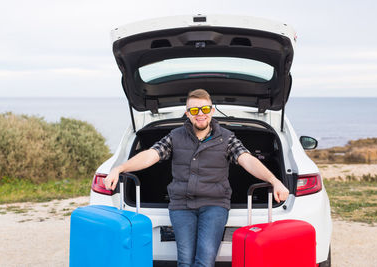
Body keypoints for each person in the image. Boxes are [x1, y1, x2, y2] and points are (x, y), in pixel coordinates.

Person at [104, 89, 289, 267]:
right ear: (188, 113)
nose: (200, 114)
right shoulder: (175, 136)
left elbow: (247, 160)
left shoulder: (227, 138)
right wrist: (119, 168)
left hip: (214, 204)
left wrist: (275, 181)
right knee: (185, 261)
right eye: (194, 110)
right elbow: (151, 155)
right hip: (181, 205)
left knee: (205, 261)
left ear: (212, 110)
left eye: (205, 109)